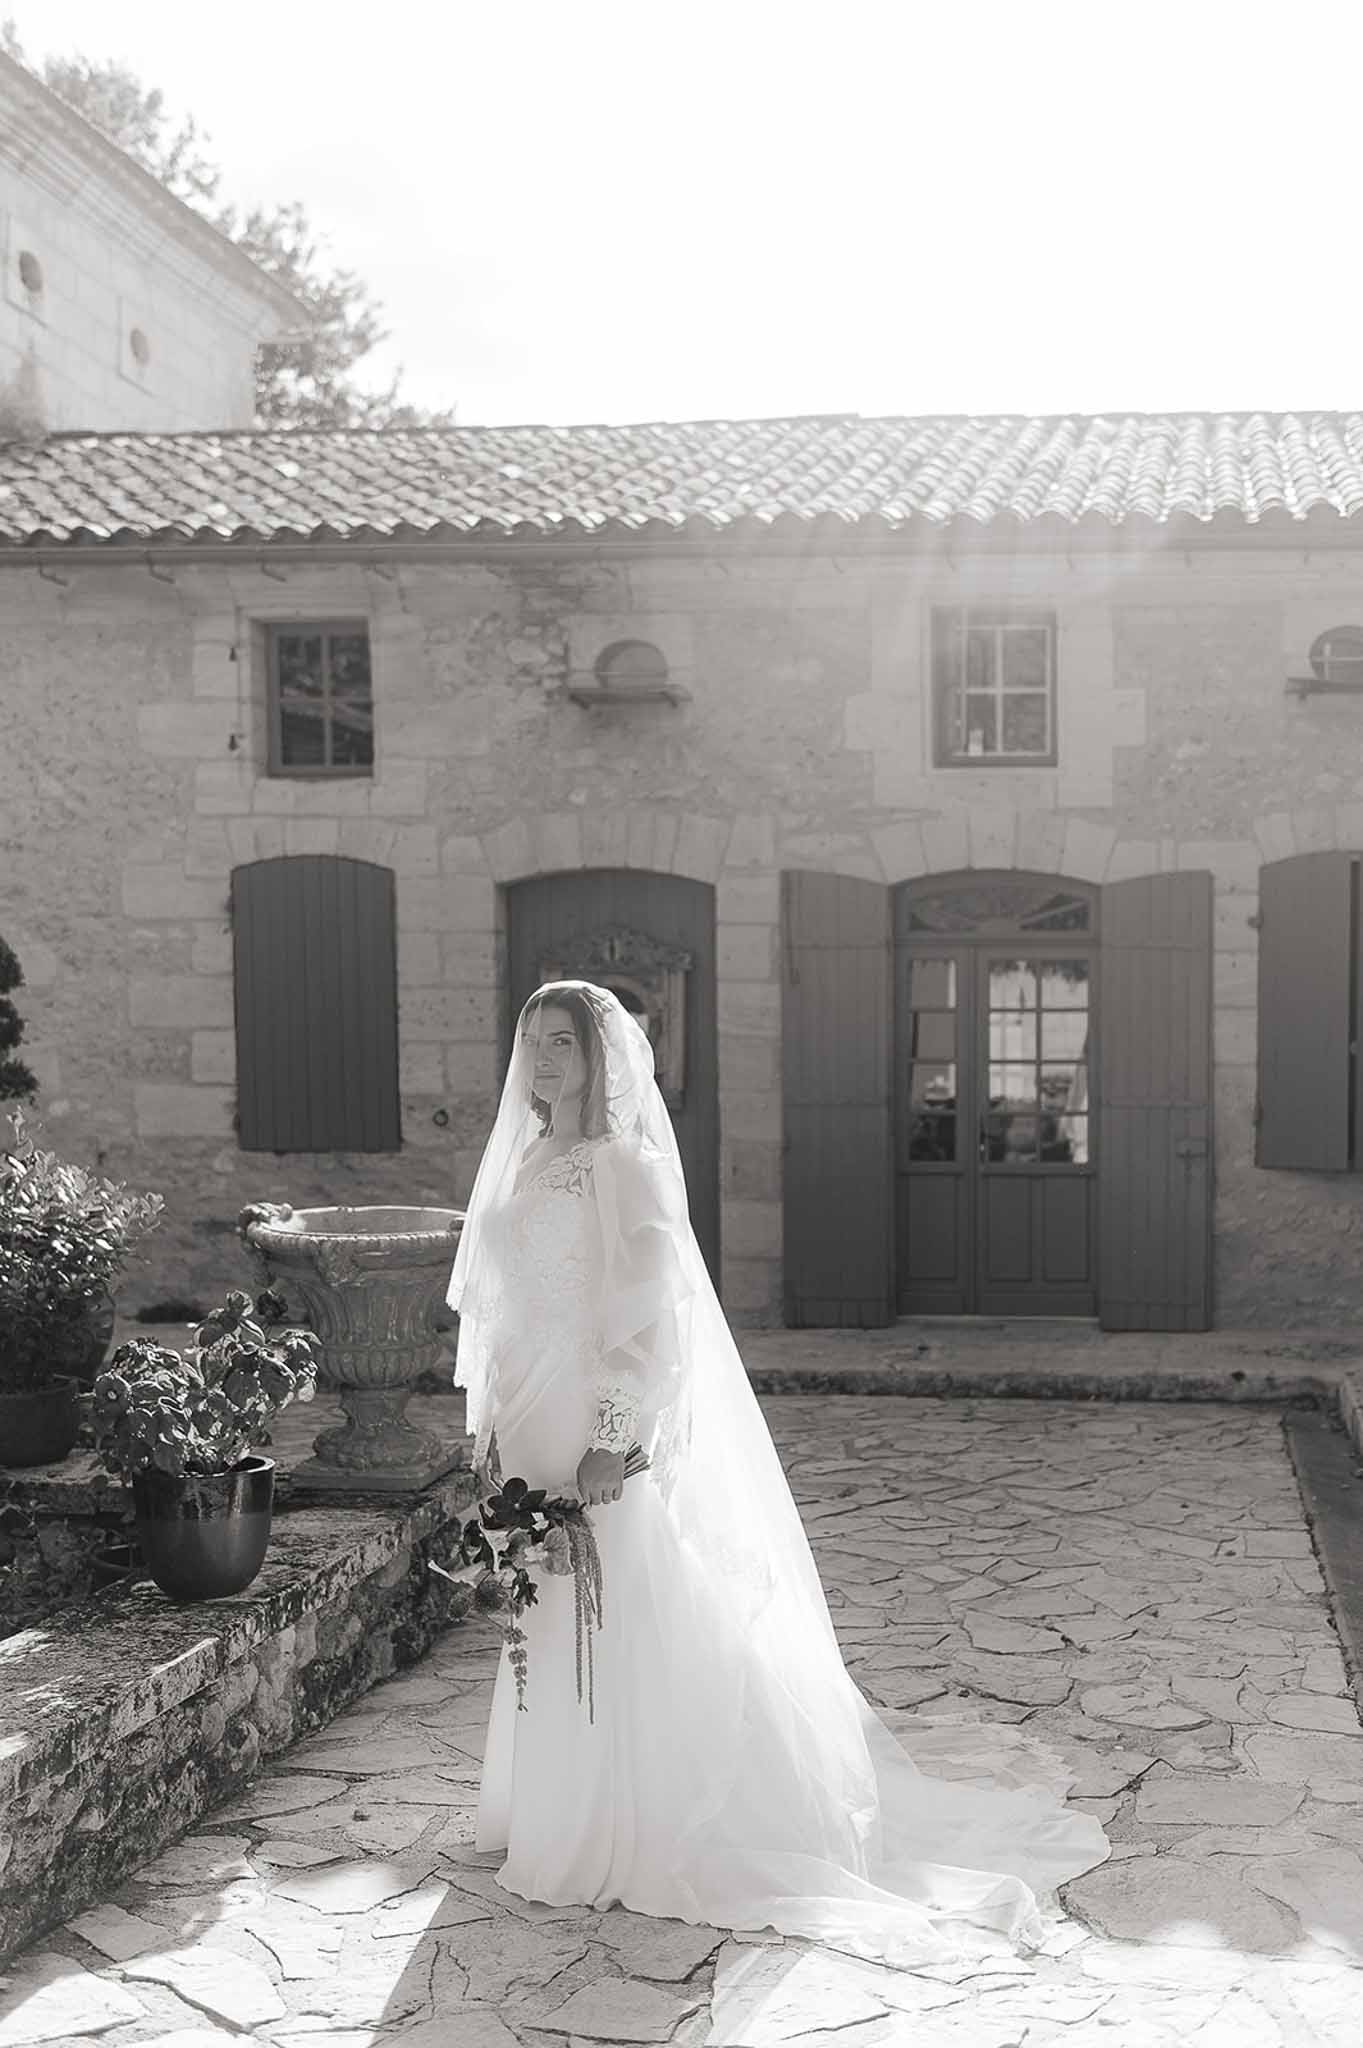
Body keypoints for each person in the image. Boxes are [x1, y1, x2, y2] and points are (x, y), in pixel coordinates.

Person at [446, 980, 1109, 1966]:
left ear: (599, 1057)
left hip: (588, 1422)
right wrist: (495, 1425)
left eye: (562, 1043)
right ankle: (548, 1806)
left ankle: (631, 1817)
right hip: (530, 1417)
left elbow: (651, 1316)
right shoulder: (528, 1159)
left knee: (613, 1602)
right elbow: (503, 1308)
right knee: (545, 1608)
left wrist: (614, 1435)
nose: (541, 1060)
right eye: (530, 1041)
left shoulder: (621, 1166)